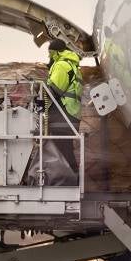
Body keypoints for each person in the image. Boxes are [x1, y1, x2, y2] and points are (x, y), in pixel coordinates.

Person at [45, 39, 83, 174]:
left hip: (64, 114)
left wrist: (40, 88)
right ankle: (71, 176)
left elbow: (55, 90)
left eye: (50, 52)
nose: (48, 56)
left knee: (61, 149)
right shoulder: (71, 64)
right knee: (65, 148)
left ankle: (70, 178)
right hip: (70, 113)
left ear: (55, 51)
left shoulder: (61, 65)